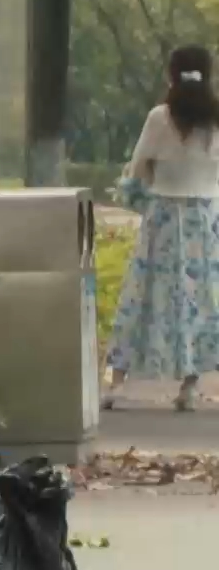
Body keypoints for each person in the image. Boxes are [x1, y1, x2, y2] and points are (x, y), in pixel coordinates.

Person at [105, 45, 219, 412]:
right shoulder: (215, 121)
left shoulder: (159, 118)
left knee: (142, 296)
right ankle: (188, 386)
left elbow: (137, 169)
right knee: (200, 300)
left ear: (171, 75)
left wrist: (140, 193)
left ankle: (117, 383)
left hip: (164, 219)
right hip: (204, 220)